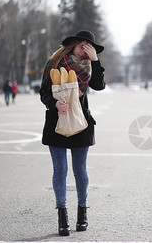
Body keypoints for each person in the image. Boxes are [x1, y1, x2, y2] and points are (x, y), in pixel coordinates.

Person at [39, 30, 105, 236]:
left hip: (81, 122)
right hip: (56, 122)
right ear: (73, 45)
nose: (85, 51)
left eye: (89, 48)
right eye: (82, 47)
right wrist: (54, 103)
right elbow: (43, 92)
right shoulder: (54, 62)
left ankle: (82, 213)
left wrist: (95, 59)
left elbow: (99, 85)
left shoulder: (89, 66)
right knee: (60, 170)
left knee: (80, 171)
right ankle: (62, 215)